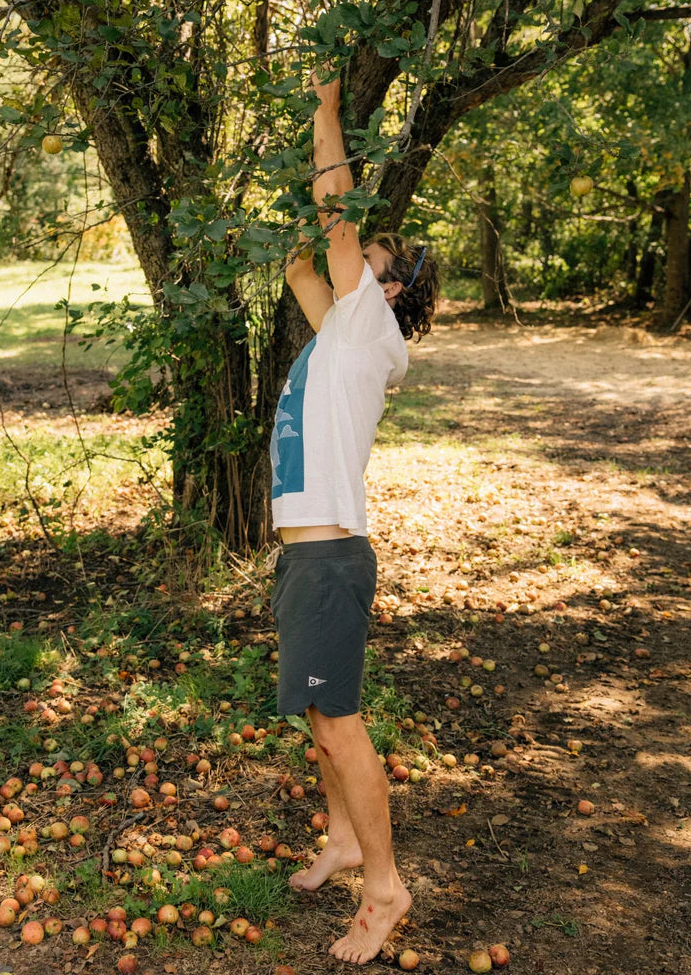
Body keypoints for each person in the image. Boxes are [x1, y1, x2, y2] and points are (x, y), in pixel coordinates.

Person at [269, 69, 439, 965]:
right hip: (308, 556)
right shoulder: (344, 324)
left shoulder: (370, 323)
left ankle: (384, 887)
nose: (354, 253)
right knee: (317, 714)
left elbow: (334, 217)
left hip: (330, 558)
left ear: (393, 288)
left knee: (338, 720)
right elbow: (301, 261)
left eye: (370, 255)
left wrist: (326, 111)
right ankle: (341, 841)